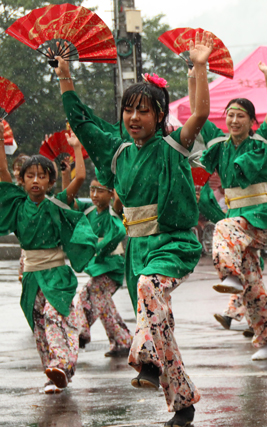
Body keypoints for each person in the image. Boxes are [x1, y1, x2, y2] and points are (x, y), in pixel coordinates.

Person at [53, 33, 214, 426]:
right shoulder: (118, 150)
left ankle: (145, 357)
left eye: (144, 111)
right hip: (138, 251)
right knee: (159, 323)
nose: (135, 118)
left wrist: (199, 67)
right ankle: (182, 402)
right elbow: (83, 122)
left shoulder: (174, 146)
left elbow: (200, 114)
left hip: (173, 245)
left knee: (147, 291)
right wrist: (65, 79)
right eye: (129, 111)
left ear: (159, 117)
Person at [199, 61, 267, 361]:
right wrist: (195, 71)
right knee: (253, 286)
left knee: (222, 229)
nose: (234, 120)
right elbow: (201, 112)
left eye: (241, 116)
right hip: (238, 226)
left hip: (260, 220)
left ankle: (229, 275)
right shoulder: (219, 145)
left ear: (251, 121)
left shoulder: (261, 142)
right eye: (230, 115)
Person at [0, 150, 97, 394]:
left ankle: (61, 365)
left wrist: (76, 147)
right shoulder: (17, 206)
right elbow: (2, 174)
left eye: (41, 176)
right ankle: (53, 375)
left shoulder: (56, 203)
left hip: (56, 274)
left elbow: (80, 179)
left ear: (50, 182)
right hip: (32, 276)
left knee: (54, 316)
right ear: (21, 180)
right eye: (30, 176)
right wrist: (0, 140)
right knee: (39, 324)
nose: (35, 181)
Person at [68, 174, 132, 358]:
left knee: (86, 296)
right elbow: (69, 199)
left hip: (111, 266)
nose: (95, 195)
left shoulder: (113, 214)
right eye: (92, 190)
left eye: (100, 191)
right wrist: (66, 175)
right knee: (104, 306)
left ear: (111, 193)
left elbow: (119, 231)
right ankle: (123, 341)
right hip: (100, 265)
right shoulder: (89, 210)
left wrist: (99, 249)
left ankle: (80, 331)